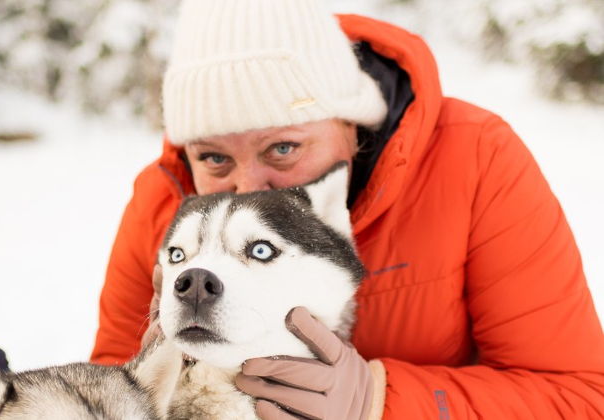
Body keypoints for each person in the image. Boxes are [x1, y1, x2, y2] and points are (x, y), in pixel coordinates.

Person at [90, 0, 604, 418]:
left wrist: (382, 400)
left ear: (350, 124)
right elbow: (108, 390)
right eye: (215, 157)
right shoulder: (165, 202)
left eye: (283, 148)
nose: (246, 187)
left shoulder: (472, 162)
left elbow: (580, 397)